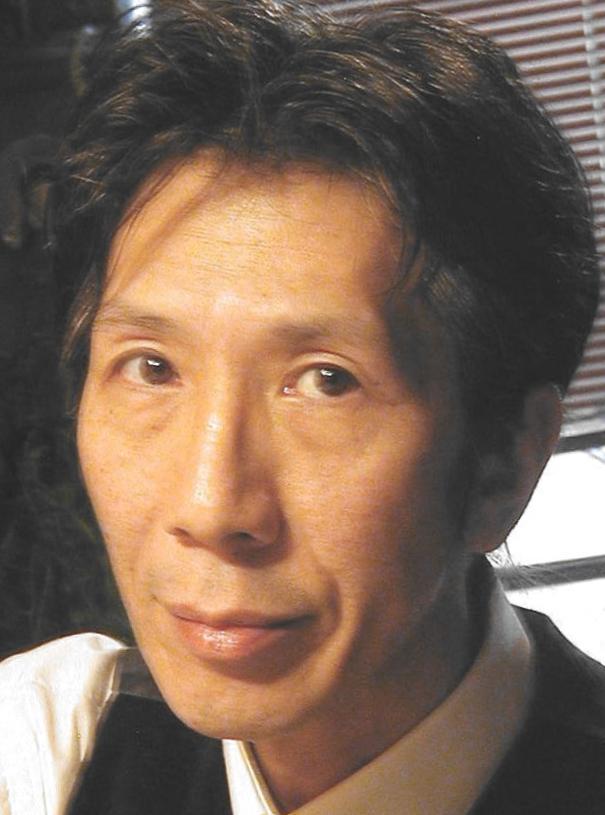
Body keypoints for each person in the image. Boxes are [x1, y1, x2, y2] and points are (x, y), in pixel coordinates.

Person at [1, 1, 604, 813]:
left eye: (326, 381)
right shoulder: (48, 751)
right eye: (152, 368)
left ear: (503, 463)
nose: (211, 508)